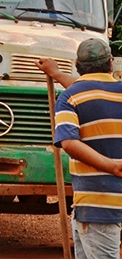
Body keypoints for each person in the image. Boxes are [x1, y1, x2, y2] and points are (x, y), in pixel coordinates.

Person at [47, 39, 122, 259]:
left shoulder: (70, 98)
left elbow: (69, 143)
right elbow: (89, 88)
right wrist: (56, 73)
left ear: (77, 66)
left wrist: (111, 166)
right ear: (110, 64)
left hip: (96, 204)